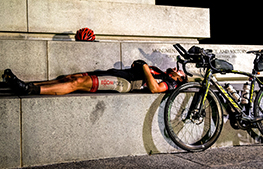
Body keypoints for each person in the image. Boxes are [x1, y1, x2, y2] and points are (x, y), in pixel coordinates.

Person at [2, 60, 187, 95]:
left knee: (76, 83)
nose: (177, 69)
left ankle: (29, 90)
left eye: (181, 73)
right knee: (69, 77)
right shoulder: (162, 72)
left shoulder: (169, 82)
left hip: (123, 83)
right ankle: (27, 84)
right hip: (114, 74)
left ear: (179, 79)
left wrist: (145, 67)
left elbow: (155, 89)